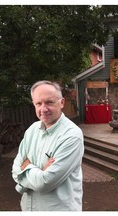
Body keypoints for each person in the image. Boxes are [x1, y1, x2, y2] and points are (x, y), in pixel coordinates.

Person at [12, 80, 84, 211]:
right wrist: (39, 172)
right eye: (38, 103)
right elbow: (15, 171)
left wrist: (27, 167)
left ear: (61, 103)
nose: (43, 109)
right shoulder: (32, 130)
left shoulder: (71, 135)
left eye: (49, 102)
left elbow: (45, 183)